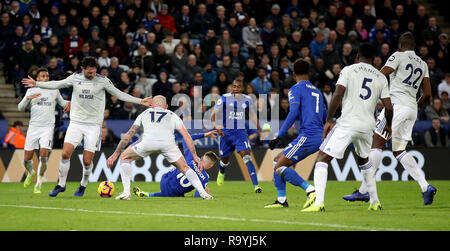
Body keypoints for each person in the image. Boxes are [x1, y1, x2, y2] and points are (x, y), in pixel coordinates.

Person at [22, 57, 152, 197]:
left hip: (93, 126)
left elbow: (118, 94)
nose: (92, 75)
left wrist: (139, 101)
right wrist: (37, 83)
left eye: (93, 72)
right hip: (76, 123)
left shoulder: (102, 80)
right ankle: (61, 185)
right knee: (65, 154)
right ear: (83, 69)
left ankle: (83, 184)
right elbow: (57, 84)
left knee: (87, 160)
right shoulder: (74, 78)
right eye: (89, 72)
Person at [343, 32, 438, 206]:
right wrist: (414, 104)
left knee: (376, 143)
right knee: (399, 150)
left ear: (400, 45)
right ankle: (425, 187)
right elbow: (428, 93)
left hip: (396, 106)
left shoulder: (398, 55)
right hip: (411, 109)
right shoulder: (423, 64)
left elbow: (381, 73)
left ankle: (364, 191)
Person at [302, 43, 393, 212]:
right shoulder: (381, 77)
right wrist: (388, 124)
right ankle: (375, 202)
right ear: (373, 59)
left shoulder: (349, 70)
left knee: (322, 158)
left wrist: (329, 120)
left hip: (348, 123)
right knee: (364, 162)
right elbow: (388, 107)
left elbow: (338, 94)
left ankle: (318, 203)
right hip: (367, 127)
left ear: (357, 56)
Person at [106, 96, 213, 200]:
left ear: (151, 105)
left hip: (148, 142)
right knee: (185, 168)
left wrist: (115, 155)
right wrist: (194, 156)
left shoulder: (145, 113)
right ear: (166, 106)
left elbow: (129, 135)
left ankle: (126, 193)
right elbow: (187, 136)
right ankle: (203, 193)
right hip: (167, 144)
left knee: (125, 157)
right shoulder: (172, 115)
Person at [265, 59, 326, 209]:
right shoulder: (317, 91)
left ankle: (310, 191)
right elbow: (324, 116)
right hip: (318, 135)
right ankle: (281, 200)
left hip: (308, 135)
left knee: (278, 167)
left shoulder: (295, 89)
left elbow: (293, 113)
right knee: (277, 160)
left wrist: (278, 136)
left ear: (293, 75)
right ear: (309, 73)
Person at [18, 68, 70, 193]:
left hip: (47, 127)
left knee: (43, 155)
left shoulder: (54, 90)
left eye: (47, 76)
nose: (46, 78)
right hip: (34, 127)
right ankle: (31, 172)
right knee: (27, 158)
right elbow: (20, 108)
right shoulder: (31, 90)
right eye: (43, 76)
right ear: (37, 79)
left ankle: (39, 183)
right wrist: (27, 98)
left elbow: (63, 104)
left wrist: (69, 105)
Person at [211, 79, 262, 192]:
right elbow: (213, 115)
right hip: (226, 133)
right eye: (234, 86)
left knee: (247, 156)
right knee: (224, 160)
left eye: (238, 87)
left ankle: (256, 186)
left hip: (240, 133)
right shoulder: (224, 98)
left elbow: (253, 115)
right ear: (232, 88)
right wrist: (216, 126)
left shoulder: (247, 99)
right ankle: (222, 171)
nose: (236, 89)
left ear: (242, 88)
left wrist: (259, 129)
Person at [133, 131, 219, 198]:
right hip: (173, 192)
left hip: (164, 181)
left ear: (201, 157)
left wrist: (204, 135)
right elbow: (197, 195)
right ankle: (149, 195)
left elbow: (186, 139)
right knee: (179, 194)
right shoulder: (205, 177)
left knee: (174, 191)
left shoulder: (192, 158)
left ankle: (147, 194)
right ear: (211, 165)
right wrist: (204, 191)